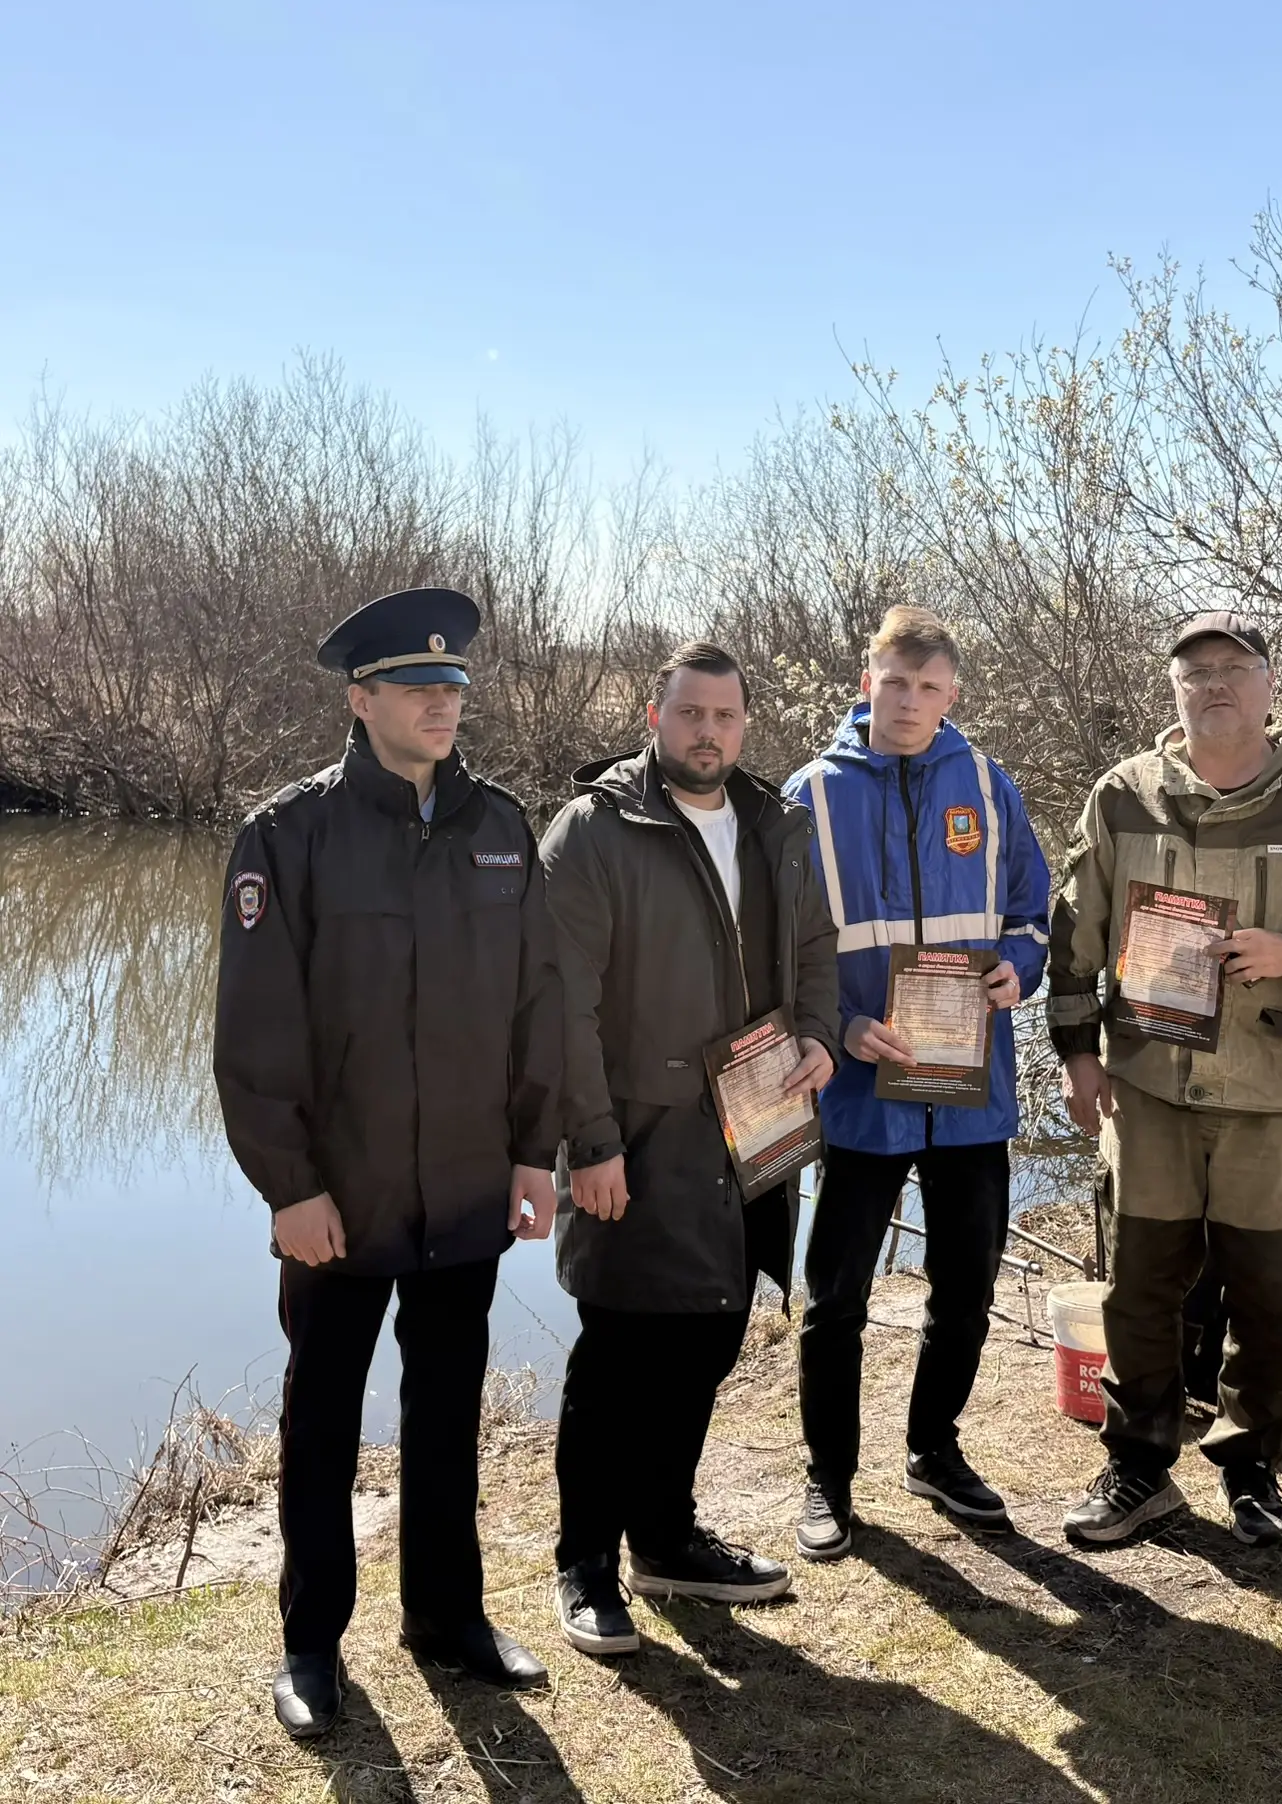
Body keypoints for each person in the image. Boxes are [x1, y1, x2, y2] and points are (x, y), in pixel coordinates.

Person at [213, 588, 564, 1740]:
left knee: (447, 1411)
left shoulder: (501, 827)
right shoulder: (290, 835)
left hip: (465, 1187)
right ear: (360, 701)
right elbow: (255, 1035)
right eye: (416, 687)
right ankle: (312, 1644)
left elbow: (537, 1004)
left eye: (452, 685)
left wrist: (534, 1153)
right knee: (322, 1421)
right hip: (342, 1201)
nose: (440, 704)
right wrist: (290, 1188)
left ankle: (447, 1618)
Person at [1048, 612, 1282, 1547]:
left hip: (1272, 1097)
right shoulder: (1123, 796)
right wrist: (1079, 1055)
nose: (1214, 683)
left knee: (1268, 1297)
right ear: (1174, 689)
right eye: (1195, 671)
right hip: (1149, 1091)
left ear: (1268, 683)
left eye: (1234, 667)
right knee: (1139, 1288)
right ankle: (1138, 1466)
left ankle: (1253, 1471)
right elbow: (1074, 937)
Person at [539, 640, 840, 1653]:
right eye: (690, 713)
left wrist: (819, 1035)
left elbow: (816, 948)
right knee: (620, 1353)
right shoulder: (594, 831)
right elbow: (561, 1008)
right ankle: (585, 1563)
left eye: (725, 716)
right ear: (654, 717)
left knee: (711, 1334)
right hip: (639, 1134)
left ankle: (665, 1541)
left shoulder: (777, 823)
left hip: (755, 1125)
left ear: (744, 724)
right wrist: (589, 1143)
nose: (707, 732)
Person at [782, 606, 1050, 1560]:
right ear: (867, 683)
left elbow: (1032, 912)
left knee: (966, 1286)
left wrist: (1021, 967)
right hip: (860, 1089)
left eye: (929, 687)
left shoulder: (987, 783)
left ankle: (934, 1450)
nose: (909, 702)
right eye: (895, 682)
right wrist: (839, 1024)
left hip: (971, 1089)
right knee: (836, 1298)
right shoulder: (809, 796)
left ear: (952, 695)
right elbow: (775, 950)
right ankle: (828, 1478)